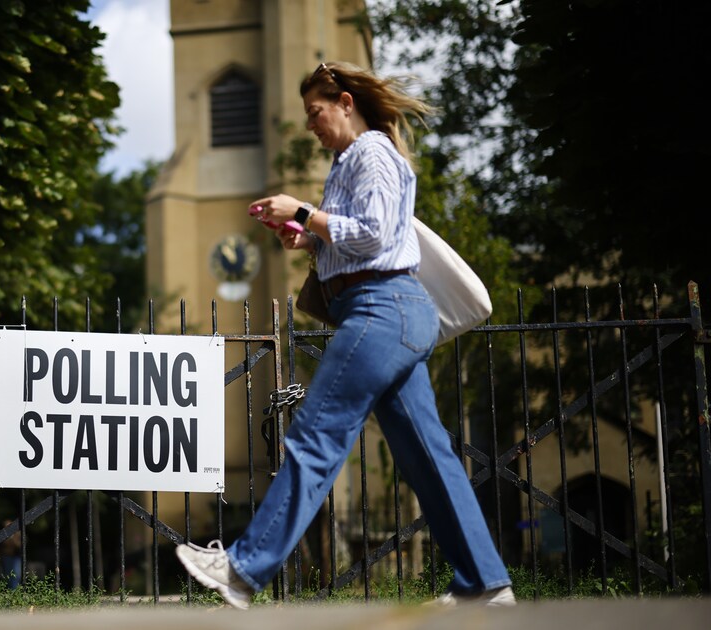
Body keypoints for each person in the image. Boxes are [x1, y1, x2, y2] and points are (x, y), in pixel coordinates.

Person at [175, 61, 515, 610]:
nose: (311, 124)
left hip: (381, 310)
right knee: (429, 456)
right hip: (392, 310)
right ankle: (486, 583)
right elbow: (365, 239)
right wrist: (308, 239)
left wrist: (305, 212)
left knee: (315, 435)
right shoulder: (349, 162)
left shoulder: (371, 153)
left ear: (346, 103)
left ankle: (242, 568)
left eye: (316, 111)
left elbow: (376, 235)